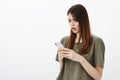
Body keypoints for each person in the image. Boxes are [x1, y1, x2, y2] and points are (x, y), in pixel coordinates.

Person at [55, 4, 105, 80]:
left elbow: (98, 77)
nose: (72, 24)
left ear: (83, 20)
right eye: (69, 20)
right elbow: (63, 71)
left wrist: (80, 58)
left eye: (75, 20)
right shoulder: (64, 41)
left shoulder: (97, 42)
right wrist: (61, 60)